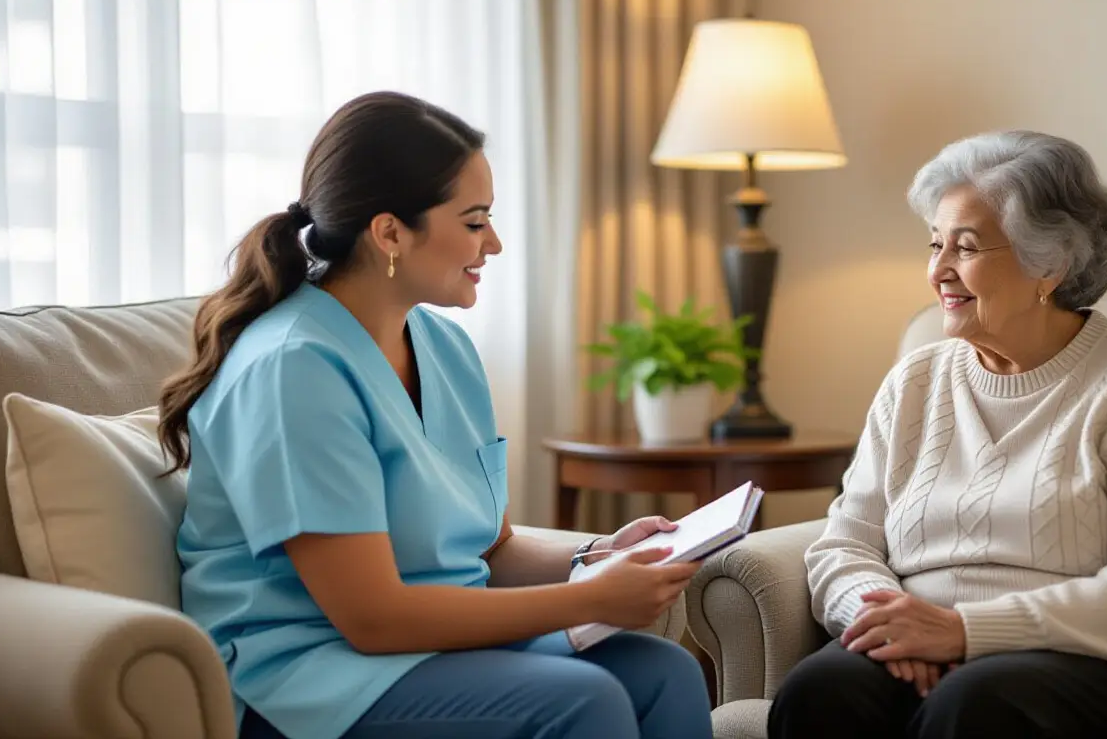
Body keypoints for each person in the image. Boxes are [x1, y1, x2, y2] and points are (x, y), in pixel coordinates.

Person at [159, 91, 712, 739]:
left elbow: (492, 550)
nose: (496, 244)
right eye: (475, 221)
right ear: (389, 231)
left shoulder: (444, 347)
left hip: (429, 653)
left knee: (663, 673)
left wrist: (599, 554)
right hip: (305, 677)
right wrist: (589, 598)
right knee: (583, 699)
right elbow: (373, 619)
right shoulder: (293, 369)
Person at [767, 130, 1107, 739]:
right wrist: (888, 622)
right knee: (821, 690)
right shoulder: (916, 380)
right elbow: (844, 543)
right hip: (934, 645)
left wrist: (964, 631)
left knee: (975, 705)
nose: (938, 270)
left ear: (1049, 263)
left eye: (964, 247)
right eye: (935, 244)